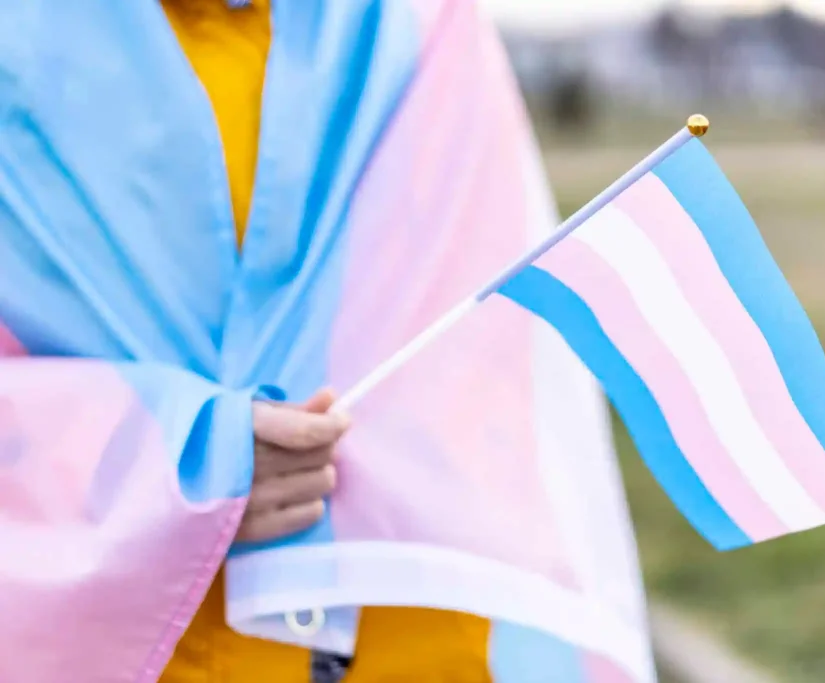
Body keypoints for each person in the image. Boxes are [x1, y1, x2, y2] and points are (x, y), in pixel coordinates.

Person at [0, 1, 654, 682]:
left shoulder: (421, 30)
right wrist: (174, 458)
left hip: (404, 630)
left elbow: (488, 339)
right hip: (118, 642)